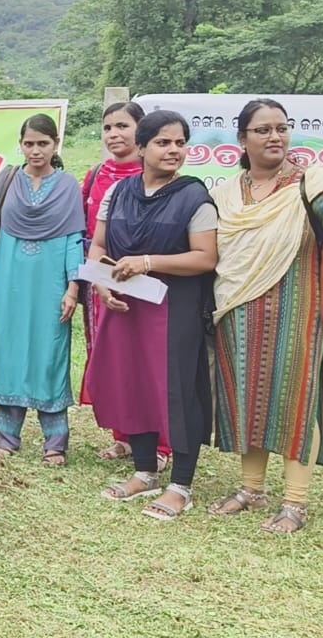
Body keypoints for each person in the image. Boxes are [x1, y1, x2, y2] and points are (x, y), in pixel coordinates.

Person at [208, 98, 323, 534]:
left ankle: (296, 503)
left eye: (281, 128)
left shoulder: (314, 183)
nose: (274, 137)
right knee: (247, 397)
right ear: (241, 138)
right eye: (262, 130)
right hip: (238, 310)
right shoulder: (226, 194)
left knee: (297, 400)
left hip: (296, 311)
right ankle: (251, 488)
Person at [83, 110, 217, 520]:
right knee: (133, 385)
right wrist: (102, 284)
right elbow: (98, 245)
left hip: (175, 310)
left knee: (176, 392)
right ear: (142, 148)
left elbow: (206, 257)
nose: (173, 150)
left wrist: (146, 261)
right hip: (126, 309)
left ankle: (181, 484)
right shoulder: (118, 193)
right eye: (163, 142)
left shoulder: (195, 196)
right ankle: (145, 471)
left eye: (179, 142)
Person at [0, 114, 84, 466]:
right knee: (9, 352)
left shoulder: (67, 187)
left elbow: (75, 239)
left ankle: (55, 443)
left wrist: (73, 287)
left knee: (50, 353)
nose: (35, 151)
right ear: (21, 144)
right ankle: (7, 437)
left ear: (56, 144)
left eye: (43, 143)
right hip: (10, 286)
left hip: (51, 286)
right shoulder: (7, 181)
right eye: (29, 144)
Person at [80, 102, 174, 466]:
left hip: (151, 286)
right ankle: (124, 436)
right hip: (104, 283)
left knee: (151, 365)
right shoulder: (95, 176)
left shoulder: (160, 177)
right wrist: (95, 282)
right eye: (107, 127)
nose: (114, 134)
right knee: (113, 362)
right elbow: (90, 237)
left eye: (123, 125)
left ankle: (161, 444)